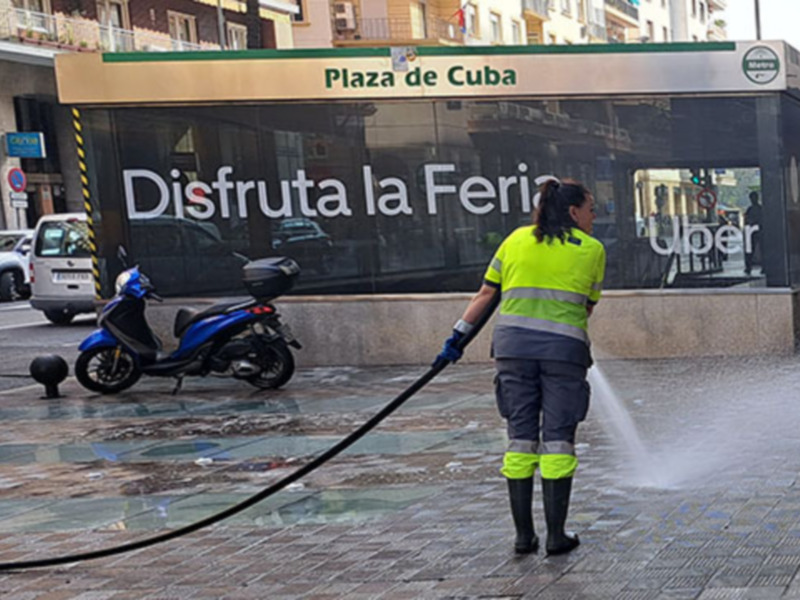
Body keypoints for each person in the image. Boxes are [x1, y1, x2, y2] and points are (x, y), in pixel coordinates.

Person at [436, 178, 605, 556]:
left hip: (512, 351)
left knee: (520, 438)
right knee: (558, 440)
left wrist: (456, 338)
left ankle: (523, 536)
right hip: (563, 353)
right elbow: (587, 306)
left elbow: (486, 294)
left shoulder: (514, 240)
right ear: (573, 212)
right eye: (591, 209)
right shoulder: (592, 249)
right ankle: (556, 536)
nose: (594, 217)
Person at [744, 191, 762, 276]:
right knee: (751, 250)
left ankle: (749, 267)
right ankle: (748, 267)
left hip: (757, 232)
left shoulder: (752, 209)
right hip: (753, 232)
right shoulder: (754, 209)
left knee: (755, 250)